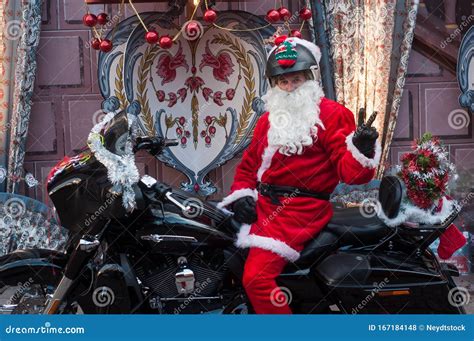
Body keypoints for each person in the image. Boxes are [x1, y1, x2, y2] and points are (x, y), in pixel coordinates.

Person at [217, 36, 380, 314]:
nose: (290, 88)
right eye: (284, 82)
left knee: (256, 279)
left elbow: (350, 174)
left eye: (296, 80)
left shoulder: (332, 115)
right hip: (265, 206)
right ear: (275, 85)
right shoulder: (268, 120)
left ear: (309, 78)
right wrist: (243, 194)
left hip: (299, 211)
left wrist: (361, 150)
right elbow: (248, 166)